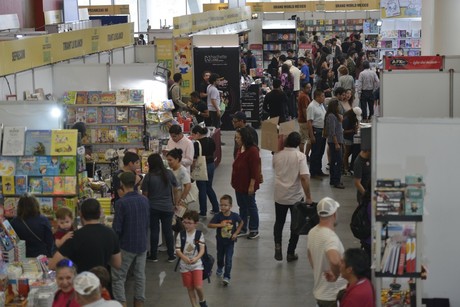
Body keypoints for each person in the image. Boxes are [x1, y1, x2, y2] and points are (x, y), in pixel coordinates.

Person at [49, 198, 122, 273]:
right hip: (102, 281)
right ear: (100, 213)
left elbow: (52, 265)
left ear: (81, 215)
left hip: (81, 281)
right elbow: (117, 264)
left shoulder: (74, 236)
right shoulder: (111, 233)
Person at [273, 132, 313, 262]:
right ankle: (291, 252)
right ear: (298, 143)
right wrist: (308, 196)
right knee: (296, 224)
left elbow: (275, 168)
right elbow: (304, 177)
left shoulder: (277, 155)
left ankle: (278, 245)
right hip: (295, 196)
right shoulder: (300, 156)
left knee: (279, 222)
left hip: (280, 195)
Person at [112, 171, 150, 306]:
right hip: (142, 244)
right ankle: (139, 303)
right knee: (140, 276)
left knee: (118, 277)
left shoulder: (121, 203)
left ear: (122, 184)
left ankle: (121, 304)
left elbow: (117, 228)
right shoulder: (144, 200)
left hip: (126, 245)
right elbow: (147, 222)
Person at [307, 197, 347, 307]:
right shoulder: (330, 238)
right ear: (334, 214)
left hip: (320, 293)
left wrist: (318, 270)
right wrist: (336, 275)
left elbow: (310, 256)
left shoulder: (312, 232)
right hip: (334, 295)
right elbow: (334, 260)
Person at [142, 153, 179, 262]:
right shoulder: (169, 173)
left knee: (154, 231)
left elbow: (145, 194)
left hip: (153, 207)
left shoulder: (149, 177)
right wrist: (175, 203)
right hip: (168, 207)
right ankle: (171, 255)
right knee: (168, 231)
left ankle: (153, 255)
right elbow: (175, 189)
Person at [231, 127, 261, 239]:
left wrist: (252, 185)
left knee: (251, 206)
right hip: (238, 183)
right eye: (236, 137)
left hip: (248, 184)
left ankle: (254, 228)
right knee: (242, 206)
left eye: (238, 137)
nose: (236, 140)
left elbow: (254, 170)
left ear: (244, 138)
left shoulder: (253, 151)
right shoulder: (240, 149)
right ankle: (242, 228)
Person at [208, 194, 243, 285]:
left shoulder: (234, 216)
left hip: (230, 242)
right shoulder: (218, 216)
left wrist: (236, 233)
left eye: (225, 205)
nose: (223, 207)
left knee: (228, 259)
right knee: (220, 257)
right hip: (220, 241)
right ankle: (220, 267)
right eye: (221, 205)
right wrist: (220, 225)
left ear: (230, 206)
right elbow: (210, 225)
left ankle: (227, 276)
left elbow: (241, 222)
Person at [175, 211, 208, 307]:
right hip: (184, 266)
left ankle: (202, 301)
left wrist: (196, 258)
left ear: (195, 224)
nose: (186, 225)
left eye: (189, 223)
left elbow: (202, 249)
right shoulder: (180, 235)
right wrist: (184, 258)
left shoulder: (199, 234)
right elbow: (178, 250)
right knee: (189, 288)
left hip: (197, 265)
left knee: (198, 286)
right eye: (184, 222)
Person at [190, 126, 220, 216]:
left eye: (193, 134)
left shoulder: (196, 144)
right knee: (209, 187)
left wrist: (192, 170)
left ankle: (203, 211)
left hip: (202, 167)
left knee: (202, 189)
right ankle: (216, 208)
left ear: (198, 134)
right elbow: (214, 149)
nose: (192, 136)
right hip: (211, 165)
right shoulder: (211, 140)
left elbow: (194, 160)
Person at [307, 89, 327, 178]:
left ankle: (319, 170)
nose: (324, 98)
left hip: (322, 131)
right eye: (322, 96)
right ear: (317, 97)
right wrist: (311, 136)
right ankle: (313, 172)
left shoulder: (321, 105)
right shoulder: (312, 106)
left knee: (321, 152)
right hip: (316, 131)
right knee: (315, 152)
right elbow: (309, 122)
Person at [325, 99, 345, 189]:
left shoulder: (335, 116)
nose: (339, 107)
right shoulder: (331, 116)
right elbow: (332, 131)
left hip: (338, 141)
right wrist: (336, 143)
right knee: (339, 161)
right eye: (338, 106)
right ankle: (336, 180)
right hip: (334, 142)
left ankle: (333, 179)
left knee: (334, 161)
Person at [342, 108, 360, 176]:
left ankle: (347, 166)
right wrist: (353, 130)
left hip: (351, 138)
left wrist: (357, 124)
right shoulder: (346, 119)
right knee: (346, 154)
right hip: (347, 139)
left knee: (349, 152)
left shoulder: (352, 118)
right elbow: (343, 131)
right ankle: (346, 168)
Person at [297, 82, 312, 155]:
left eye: (310, 87)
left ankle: (302, 154)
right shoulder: (304, 97)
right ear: (303, 88)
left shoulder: (302, 95)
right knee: (310, 140)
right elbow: (304, 109)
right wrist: (308, 121)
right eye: (307, 88)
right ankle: (306, 155)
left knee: (302, 139)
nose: (309, 89)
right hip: (304, 121)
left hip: (301, 120)